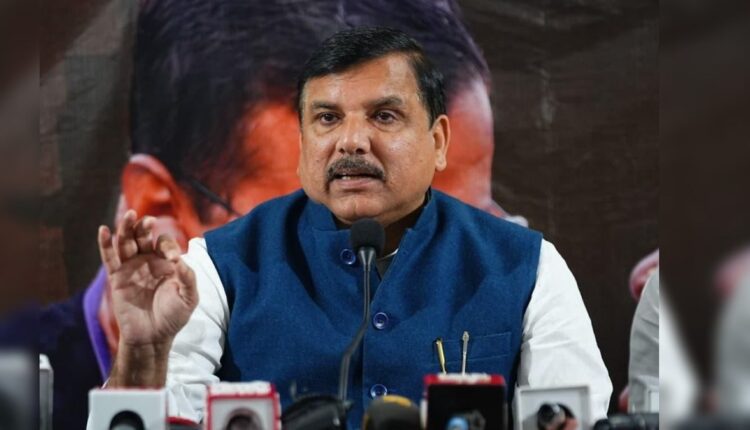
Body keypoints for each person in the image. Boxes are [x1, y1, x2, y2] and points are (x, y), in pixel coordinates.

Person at [94, 27, 611, 429]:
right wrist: (141, 352)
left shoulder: (528, 266)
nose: (351, 142)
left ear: (438, 142)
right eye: (327, 118)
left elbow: (576, 417)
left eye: (384, 116)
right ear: (303, 144)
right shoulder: (218, 265)